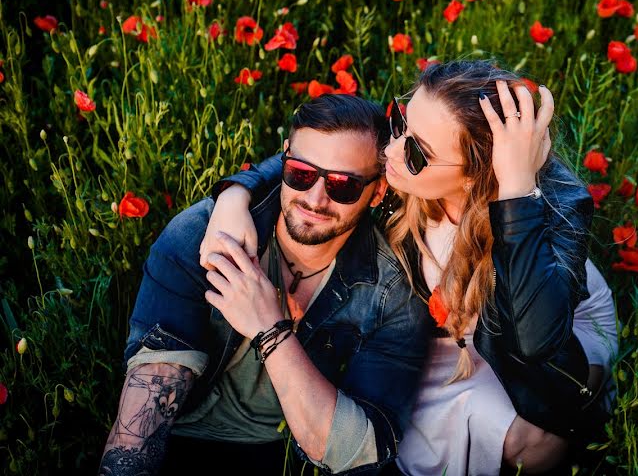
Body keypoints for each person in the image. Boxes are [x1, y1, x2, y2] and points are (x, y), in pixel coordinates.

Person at [201, 60, 619, 475]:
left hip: (544, 329)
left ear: (475, 174)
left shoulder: (557, 203)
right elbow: (322, 155)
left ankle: (597, 406)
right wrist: (235, 194)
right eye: (400, 123)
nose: (392, 150)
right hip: (452, 337)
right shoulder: (405, 169)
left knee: (536, 448)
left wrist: (515, 191)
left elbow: (535, 339)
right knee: (396, 425)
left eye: (417, 151)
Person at [99, 95, 432, 475]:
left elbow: (356, 452)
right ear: (285, 160)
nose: (315, 198)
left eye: (343, 186)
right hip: (184, 440)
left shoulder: (391, 291)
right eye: (301, 174)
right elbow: (136, 435)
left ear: (377, 192)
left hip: (288, 455)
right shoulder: (202, 237)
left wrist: (270, 330)